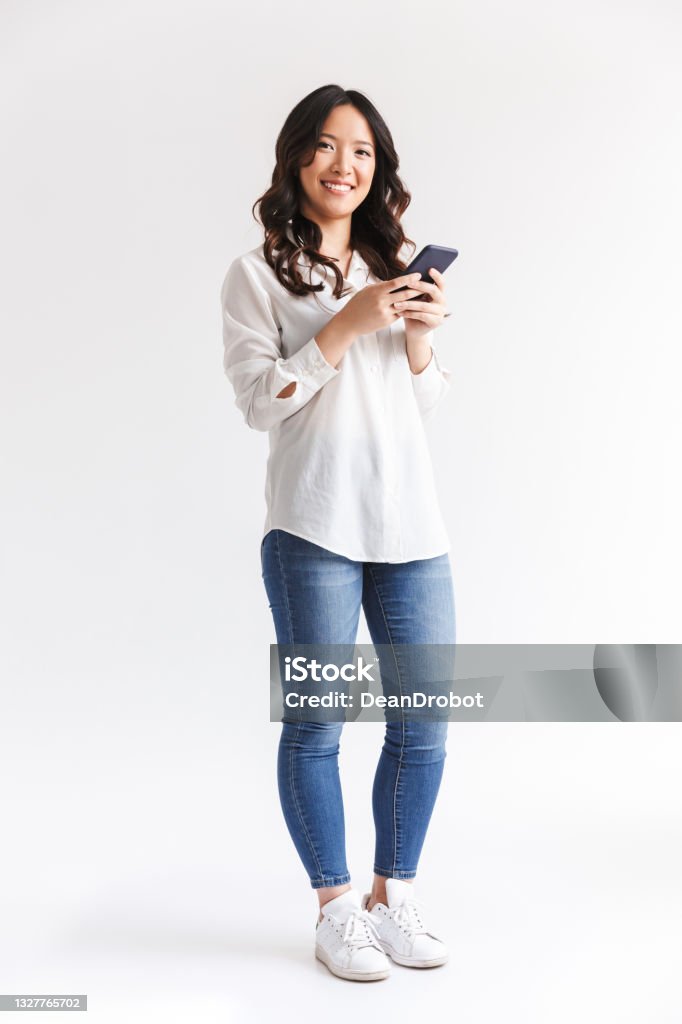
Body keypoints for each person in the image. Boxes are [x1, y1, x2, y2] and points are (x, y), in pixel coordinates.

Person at [220, 84, 456, 982]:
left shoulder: (391, 269)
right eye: (325, 147)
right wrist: (344, 330)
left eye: (360, 151)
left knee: (425, 723)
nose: (343, 165)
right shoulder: (256, 274)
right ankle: (335, 908)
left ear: (377, 168)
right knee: (319, 725)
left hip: (413, 528)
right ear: (295, 159)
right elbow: (257, 402)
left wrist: (419, 337)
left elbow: (421, 401)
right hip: (314, 528)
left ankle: (394, 896)